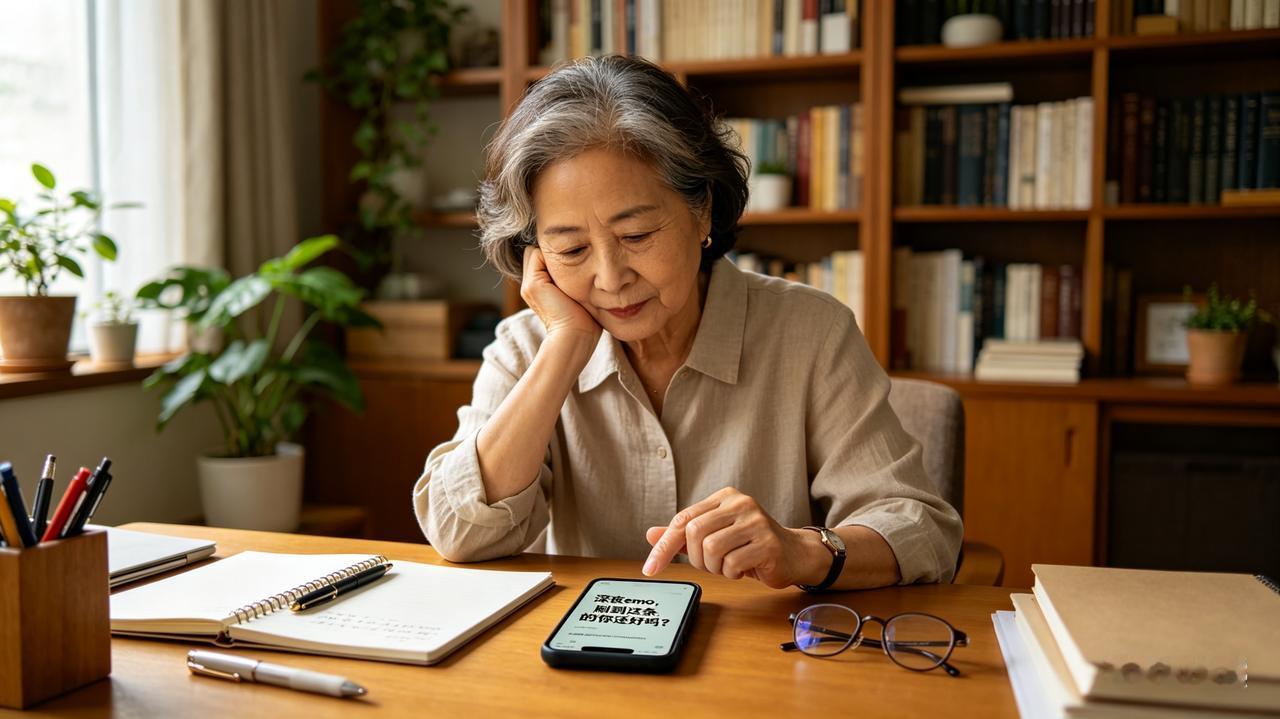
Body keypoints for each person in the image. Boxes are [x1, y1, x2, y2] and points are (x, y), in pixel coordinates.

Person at [413, 55, 962, 591]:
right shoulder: (525, 346)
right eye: (572, 248)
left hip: (763, 660)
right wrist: (565, 347)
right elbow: (458, 532)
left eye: (636, 236)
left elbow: (921, 528)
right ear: (537, 253)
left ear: (702, 211)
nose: (610, 278)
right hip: (581, 668)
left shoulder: (810, 332)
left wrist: (802, 550)